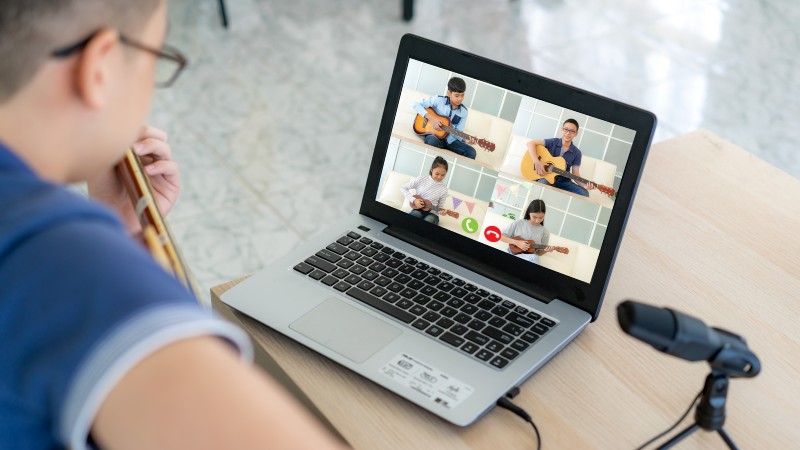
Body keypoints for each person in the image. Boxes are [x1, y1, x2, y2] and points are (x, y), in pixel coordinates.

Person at [0, 1, 345, 449]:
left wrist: (120, 233)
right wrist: (111, 262)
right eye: (157, 55)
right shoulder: (66, 270)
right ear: (99, 66)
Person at [412, 77, 477, 159]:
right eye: (457, 95)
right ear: (449, 93)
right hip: (435, 136)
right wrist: (432, 119)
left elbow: (459, 132)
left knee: (471, 152)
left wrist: (465, 139)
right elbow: (416, 105)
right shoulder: (438, 100)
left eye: (462, 95)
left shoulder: (464, 112)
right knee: (431, 141)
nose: (460, 99)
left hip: (451, 141)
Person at [527, 118, 596, 197]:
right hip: (546, 176)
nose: (567, 133)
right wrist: (537, 162)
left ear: (576, 134)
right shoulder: (552, 142)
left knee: (584, 193)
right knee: (542, 183)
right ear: (562, 129)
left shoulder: (577, 153)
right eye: (565, 129)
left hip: (564, 181)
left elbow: (575, 174)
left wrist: (585, 185)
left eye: (572, 131)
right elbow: (530, 143)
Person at [400, 156, 453, 225]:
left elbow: (440, 207)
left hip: (433, 214)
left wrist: (442, 212)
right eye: (437, 174)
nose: (439, 177)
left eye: (443, 175)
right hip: (418, 209)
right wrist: (414, 200)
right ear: (431, 169)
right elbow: (403, 188)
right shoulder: (421, 179)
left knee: (429, 220)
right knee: (415, 215)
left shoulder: (444, 189)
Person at [499, 199, 554, 264]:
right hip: (512, 254)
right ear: (529, 212)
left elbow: (539, 253)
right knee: (534, 258)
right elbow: (500, 236)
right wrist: (517, 242)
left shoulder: (545, 232)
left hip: (529, 259)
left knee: (534, 257)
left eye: (541, 218)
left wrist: (546, 251)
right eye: (534, 217)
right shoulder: (519, 223)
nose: (537, 220)